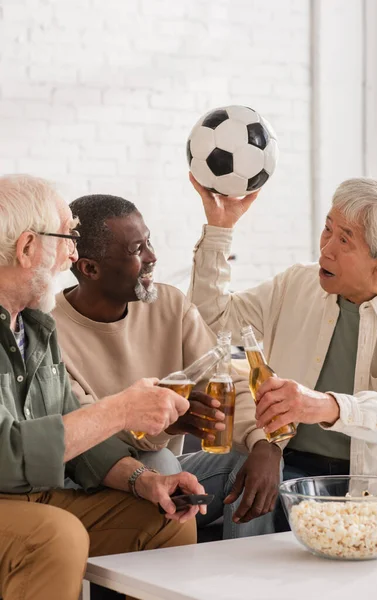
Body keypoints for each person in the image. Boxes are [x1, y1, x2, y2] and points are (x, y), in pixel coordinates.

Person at [0, 174, 205, 600]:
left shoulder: (36, 326)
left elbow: (72, 426)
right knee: (57, 535)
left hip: (36, 498)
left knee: (167, 520)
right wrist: (120, 411)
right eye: (66, 237)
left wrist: (144, 480)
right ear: (26, 249)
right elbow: (6, 453)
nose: (72, 254)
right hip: (16, 503)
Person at [51, 193, 282, 540]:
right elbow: (87, 441)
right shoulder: (50, 333)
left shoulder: (170, 305)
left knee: (246, 468)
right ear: (90, 268)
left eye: (149, 241)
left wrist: (264, 443)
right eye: (136, 249)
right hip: (93, 487)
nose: (152, 256)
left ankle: (244, 586)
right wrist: (168, 425)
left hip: (168, 473)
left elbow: (224, 376)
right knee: (159, 462)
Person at [188, 173, 377, 528]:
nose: (326, 248)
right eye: (328, 229)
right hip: (283, 458)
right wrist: (219, 228)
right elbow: (211, 319)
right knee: (203, 477)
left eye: (345, 240)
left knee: (255, 491)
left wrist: (322, 405)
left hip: (360, 485)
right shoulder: (296, 284)